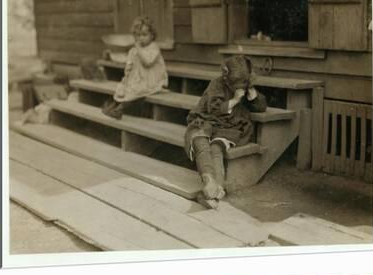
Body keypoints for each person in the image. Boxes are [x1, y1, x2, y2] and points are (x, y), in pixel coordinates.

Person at [184, 55, 267, 209]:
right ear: (226, 77)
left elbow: (261, 107)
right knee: (199, 139)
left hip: (230, 126)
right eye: (236, 84)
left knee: (216, 148)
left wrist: (253, 96)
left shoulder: (246, 85)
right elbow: (214, 109)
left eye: (244, 83)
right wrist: (235, 100)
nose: (239, 87)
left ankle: (216, 189)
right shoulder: (216, 84)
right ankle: (209, 179)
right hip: (208, 119)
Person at [102, 16, 168, 119]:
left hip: (152, 79)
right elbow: (129, 63)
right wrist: (127, 73)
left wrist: (138, 49)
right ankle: (114, 106)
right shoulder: (134, 50)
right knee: (123, 86)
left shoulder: (154, 48)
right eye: (138, 35)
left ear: (152, 35)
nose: (141, 38)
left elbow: (148, 62)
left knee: (135, 90)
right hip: (139, 77)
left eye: (144, 35)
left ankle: (120, 109)